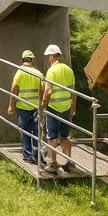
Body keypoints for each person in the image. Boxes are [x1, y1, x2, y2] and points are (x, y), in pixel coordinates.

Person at [40, 44, 76, 174]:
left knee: (52, 137)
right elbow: (73, 92)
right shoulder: (68, 70)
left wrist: (43, 104)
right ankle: (68, 162)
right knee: (65, 136)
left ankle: (53, 164)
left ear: (51, 56)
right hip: (66, 108)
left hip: (54, 108)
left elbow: (48, 91)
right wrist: (72, 110)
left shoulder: (52, 71)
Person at [7, 50, 42, 164]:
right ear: (32, 60)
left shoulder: (20, 72)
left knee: (25, 130)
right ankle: (37, 155)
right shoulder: (38, 73)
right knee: (36, 131)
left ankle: (27, 154)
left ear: (23, 60)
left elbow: (14, 89)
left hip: (22, 107)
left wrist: (11, 106)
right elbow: (45, 90)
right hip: (36, 107)